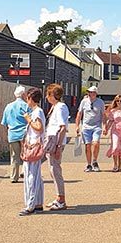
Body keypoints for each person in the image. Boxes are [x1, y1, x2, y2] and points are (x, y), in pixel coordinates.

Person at [20, 88, 45, 216]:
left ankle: (30, 205)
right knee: (36, 177)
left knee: (31, 177)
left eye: (28, 98)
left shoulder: (37, 112)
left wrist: (28, 119)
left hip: (34, 147)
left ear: (31, 99)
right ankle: (38, 203)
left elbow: (39, 128)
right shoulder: (37, 111)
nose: (26, 101)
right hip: (33, 146)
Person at [45, 83, 68, 211]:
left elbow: (62, 127)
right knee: (53, 170)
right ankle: (58, 196)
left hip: (56, 142)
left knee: (55, 170)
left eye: (48, 94)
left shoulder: (60, 107)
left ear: (53, 95)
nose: (47, 97)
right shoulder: (55, 107)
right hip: (53, 141)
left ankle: (61, 199)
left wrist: (58, 147)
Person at [75, 85, 105, 172]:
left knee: (95, 143)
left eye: (93, 92)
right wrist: (77, 126)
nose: (91, 94)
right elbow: (79, 114)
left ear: (96, 93)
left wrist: (105, 126)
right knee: (87, 145)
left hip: (96, 126)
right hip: (86, 126)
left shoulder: (100, 102)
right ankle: (88, 164)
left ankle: (94, 161)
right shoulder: (84, 102)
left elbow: (103, 115)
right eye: (90, 92)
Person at [2, 85, 28, 183]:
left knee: (14, 156)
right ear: (24, 94)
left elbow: (4, 122)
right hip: (24, 134)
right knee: (26, 155)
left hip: (12, 134)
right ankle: (25, 172)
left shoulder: (8, 106)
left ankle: (14, 176)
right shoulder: (26, 106)